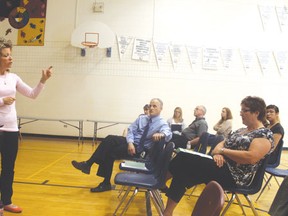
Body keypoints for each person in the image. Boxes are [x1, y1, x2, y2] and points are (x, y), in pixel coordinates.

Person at [163, 96, 274, 216]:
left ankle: (160, 181)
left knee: (185, 159)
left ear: (256, 112)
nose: (241, 113)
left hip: (235, 177)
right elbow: (219, 146)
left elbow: (250, 157)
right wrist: (219, 153)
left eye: (244, 110)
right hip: (221, 165)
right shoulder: (241, 130)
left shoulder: (264, 134)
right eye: (241, 110)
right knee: (184, 171)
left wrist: (223, 152)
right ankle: (167, 212)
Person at [71, 98, 172, 192]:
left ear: (161, 108)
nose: (151, 108)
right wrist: (130, 142)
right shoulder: (142, 119)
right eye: (150, 105)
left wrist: (162, 134)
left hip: (141, 150)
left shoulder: (162, 123)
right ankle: (89, 165)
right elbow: (131, 130)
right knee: (109, 139)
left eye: (154, 106)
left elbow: (168, 134)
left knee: (110, 153)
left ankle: (94, 171)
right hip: (132, 143)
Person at [0, 37, 52, 213]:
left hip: (11, 129)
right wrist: (2, 101)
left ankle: (6, 201)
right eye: (6, 55)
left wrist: (43, 80)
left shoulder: (14, 77)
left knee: (8, 168)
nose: (10, 58)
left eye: (10, 55)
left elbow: (32, 94)